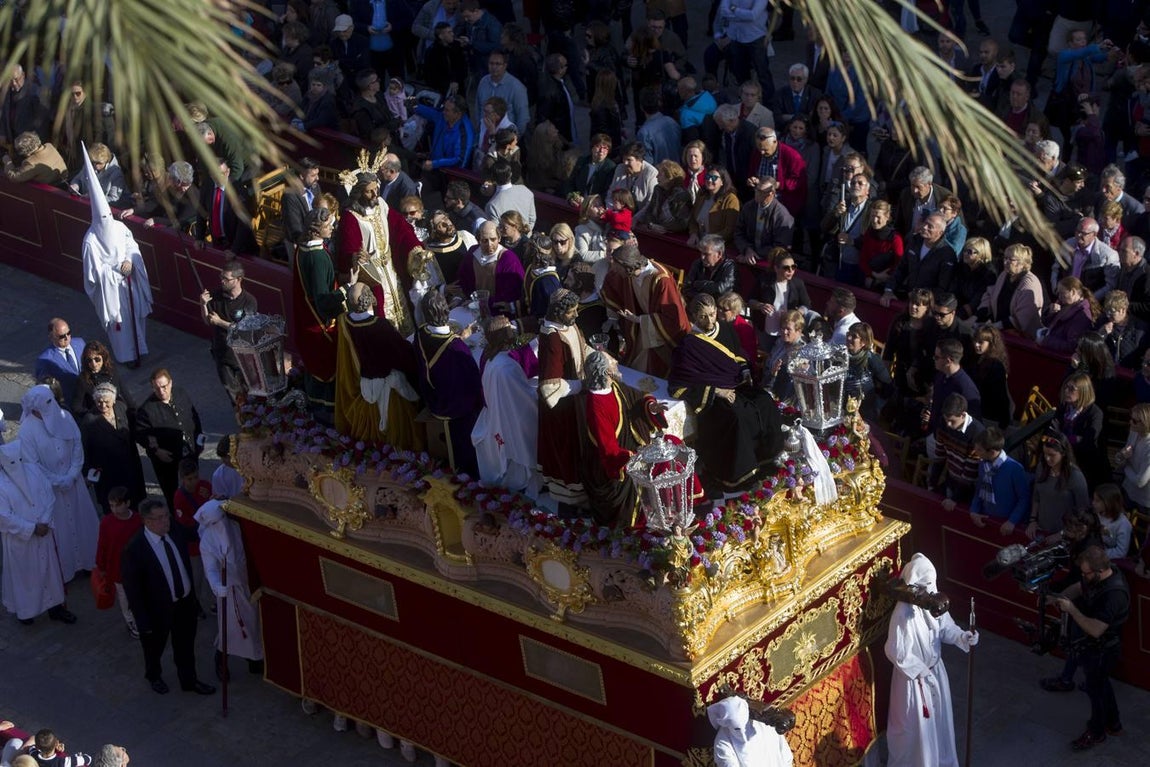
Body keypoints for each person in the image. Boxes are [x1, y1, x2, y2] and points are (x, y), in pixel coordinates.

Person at [669, 294, 784, 495]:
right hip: (714, 397)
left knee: (765, 401)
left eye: (712, 314)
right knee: (736, 417)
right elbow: (678, 385)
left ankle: (768, 457)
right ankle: (740, 476)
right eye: (703, 316)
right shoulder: (688, 345)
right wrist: (718, 392)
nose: (709, 320)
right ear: (694, 317)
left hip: (738, 385)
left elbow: (738, 355)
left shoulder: (727, 329)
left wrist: (746, 371)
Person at [884, 553, 978, 767]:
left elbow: (946, 628)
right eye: (924, 584)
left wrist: (963, 636)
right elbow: (895, 650)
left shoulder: (934, 601)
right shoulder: (903, 614)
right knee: (915, 731)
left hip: (935, 673)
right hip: (914, 682)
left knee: (939, 724)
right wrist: (919, 670)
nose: (929, 589)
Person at [121, 497, 215, 696]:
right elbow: (133, 590)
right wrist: (142, 622)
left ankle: (189, 680)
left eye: (166, 515)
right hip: (157, 611)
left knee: (186, 646)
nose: (166, 521)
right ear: (147, 521)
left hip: (185, 603)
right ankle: (153, 675)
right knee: (154, 648)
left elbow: (192, 533)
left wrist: (210, 514)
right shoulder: (135, 549)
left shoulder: (173, 530)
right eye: (160, 518)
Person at [581, 351, 678, 526]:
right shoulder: (596, 407)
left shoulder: (614, 386)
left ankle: (672, 504)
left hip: (634, 446)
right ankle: (663, 511)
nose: (617, 360)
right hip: (619, 463)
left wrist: (652, 408)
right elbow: (608, 450)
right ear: (607, 372)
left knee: (673, 444)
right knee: (663, 461)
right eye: (612, 361)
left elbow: (638, 399)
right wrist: (637, 458)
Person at [80, 144, 153, 368]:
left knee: (135, 320)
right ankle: (126, 356)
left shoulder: (120, 228)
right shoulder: (91, 240)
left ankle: (140, 350)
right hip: (112, 290)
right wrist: (112, 274)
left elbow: (132, 246)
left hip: (129, 282)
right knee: (120, 325)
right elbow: (92, 275)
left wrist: (130, 261)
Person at [18, 385, 99, 582]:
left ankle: (89, 562)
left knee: (82, 523)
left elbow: (76, 445)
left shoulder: (65, 416)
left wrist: (72, 474)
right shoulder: (27, 429)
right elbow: (31, 464)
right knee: (61, 530)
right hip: (50, 488)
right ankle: (68, 569)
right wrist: (57, 480)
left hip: (73, 482)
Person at [1053, 546, 1130, 751]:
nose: (1084, 576)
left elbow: (1096, 629)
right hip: (1095, 648)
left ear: (1100, 571)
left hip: (1103, 649)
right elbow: (1080, 587)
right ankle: (1114, 724)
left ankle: (1097, 732)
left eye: (1087, 573)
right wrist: (1060, 597)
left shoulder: (1114, 594)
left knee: (1095, 691)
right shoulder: (1098, 576)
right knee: (1102, 685)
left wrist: (1072, 610)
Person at [335, 282, 423, 450]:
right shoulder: (380, 326)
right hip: (391, 394)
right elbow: (403, 356)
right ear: (370, 300)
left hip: (367, 388)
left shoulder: (345, 322)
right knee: (402, 438)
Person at [0, 441, 72, 626]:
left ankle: (56, 607)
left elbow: (48, 495)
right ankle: (26, 611)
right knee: (26, 579)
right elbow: (4, 516)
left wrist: (45, 521)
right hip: (21, 540)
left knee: (50, 573)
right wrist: (31, 528)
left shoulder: (34, 471)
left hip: (43, 531)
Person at [336, 172, 416, 336]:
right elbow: (346, 250)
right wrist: (356, 257)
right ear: (359, 193)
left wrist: (415, 246)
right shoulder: (351, 217)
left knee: (404, 312)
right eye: (369, 191)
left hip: (391, 271)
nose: (375, 194)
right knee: (382, 314)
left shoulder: (380, 204)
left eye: (376, 189)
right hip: (372, 275)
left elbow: (400, 226)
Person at [413, 291, 483, 477]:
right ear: (446, 312)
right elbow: (474, 381)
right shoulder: (457, 348)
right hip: (455, 408)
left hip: (431, 396)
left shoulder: (421, 333)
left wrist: (460, 336)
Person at [194, 499, 264, 679]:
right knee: (233, 628)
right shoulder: (208, 542)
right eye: (216, 522)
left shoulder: (235, 527)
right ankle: (221, 657)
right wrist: (217, 586)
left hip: (247, 583)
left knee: (254, 624)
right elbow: (210, 568)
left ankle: (255, 660)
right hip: (230, 589)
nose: (221, 524)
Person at [471, 317, 539, 496]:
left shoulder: (488, 355)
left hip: (496, 413)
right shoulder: (506, 367)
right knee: (518, 454)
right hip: (511, 419)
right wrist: (539, 394)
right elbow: (523, 400)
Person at [537, 290, 590, 512]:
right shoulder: (552, 337)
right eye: (572, 311)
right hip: (562, 407)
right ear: (559, 313)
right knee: (566, 449)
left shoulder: (568, 325)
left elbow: (582, 347)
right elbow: (550, 385)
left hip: (575, 400)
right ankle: (568, 500)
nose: (576, 315)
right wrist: (581, 385)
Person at [602, 243, 690, 376]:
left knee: (651, 371)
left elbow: (672, 319)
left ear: (627, 266)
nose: (613, 268)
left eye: (616, 265)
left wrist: (639, 320)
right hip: (642, 328)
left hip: (658, 332)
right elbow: (611, 282)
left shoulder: (661, 280)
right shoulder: (629, 273)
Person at [135, 369, 203, 511]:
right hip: (166, 458)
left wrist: (199, 439)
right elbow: (141, 434)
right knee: (171, 490)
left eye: (164, 386)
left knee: (193, 482)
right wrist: (156, 450)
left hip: (188, 448)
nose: (161, 391)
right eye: (157, 388)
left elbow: (193, 416)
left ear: (170, 383)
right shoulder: (146, 410)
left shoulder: (180, 393)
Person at [79, 383, 146, 515]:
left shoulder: (121, 408)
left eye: (106, 402)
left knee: (135, 503)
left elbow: (134, 429)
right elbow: (84, 448)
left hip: (130, 466)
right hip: (108, 473)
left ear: (114, 400)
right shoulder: (89, 421)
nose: (103, 406)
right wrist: (87, 473)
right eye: (99, 402)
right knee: (115, 507)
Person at [200, 260, 258, 406]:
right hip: (223, 354)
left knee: (251, 391)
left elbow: (244, 328)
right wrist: (203, 305)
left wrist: (220, 322)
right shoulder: (215, 295)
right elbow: (208, 321)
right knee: (233, 394)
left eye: (226, 279)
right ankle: (241, 419)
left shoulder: (249, 301)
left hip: (244, 355)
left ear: (238, 280)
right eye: (221, 277)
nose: (222, 281)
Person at [95, 486, 143, 638]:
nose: (114, 509)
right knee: (124, 597)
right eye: (111, 506)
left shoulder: (137, 519)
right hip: (117, 568)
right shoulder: (106, 523)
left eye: (118, 505)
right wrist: (101, 566)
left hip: (136, 567)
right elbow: (102, 545)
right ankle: (131, 621)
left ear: (127, 503)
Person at [969, 427, 1032, 536]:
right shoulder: (982, 464)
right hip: (986, 520)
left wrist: (1012, 521)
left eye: (979, 450)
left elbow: (1024, 498)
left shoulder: (1014, 468)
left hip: (1007, 525)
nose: (975, 452)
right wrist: (974, 511)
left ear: (992, 452)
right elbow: (979, 490)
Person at [1028, 431, 1089, 539]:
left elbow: (1083, 512)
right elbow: (1036, 497)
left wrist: (1062, 534)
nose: (1047, 459)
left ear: (1063, 453)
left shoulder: (1075, 476)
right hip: (1041, 531)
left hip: (1063, 536)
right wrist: (1032, 521)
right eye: (1045, 454)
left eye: (1051, 455)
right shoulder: (1041, 468)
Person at [977, 243, 1045, 340]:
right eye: (1005, 258)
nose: (1006, 262)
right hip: (999, 333)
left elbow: (1022, 318)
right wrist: (979, 314)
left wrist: (994, 326)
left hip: (1022, 338)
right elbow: (990, 294)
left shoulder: (1030, 283)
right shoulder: (1004, 275)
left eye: (1011, 260)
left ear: (1023, 263)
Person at [457, 220, 525, 317]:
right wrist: (460, 297)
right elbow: (463, 280)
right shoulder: (473, 253)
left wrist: (483, 303)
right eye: (484, 240)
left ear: (499, 238)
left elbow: (511, 294)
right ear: (478, 239)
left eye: (493, 239)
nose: (489, 244)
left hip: (498, 313)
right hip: (472, 308)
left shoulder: (508, 259)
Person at [932, 394, 987, 511]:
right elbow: (939, 457)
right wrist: (932, 484)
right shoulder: (943, 423)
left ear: (963, 415)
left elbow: (970, 474)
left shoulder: (977, 433)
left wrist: (954, 499)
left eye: (952, 421)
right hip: (951, 480)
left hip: (969, 491)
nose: (948, 424)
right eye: (946, 420)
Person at [707, 695, 794, 767]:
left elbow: (786, 756)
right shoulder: (722, 743)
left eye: (744, 724)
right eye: (737, 728)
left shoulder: (765, 724)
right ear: (727, 724)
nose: (743, 732)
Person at [733, 177, 795, 264]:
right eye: (756, 190)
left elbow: (781, 247)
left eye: (761, 192)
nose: (757, 194)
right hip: (747, 256)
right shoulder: (748, 207)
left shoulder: (782, 216)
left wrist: (755, 254)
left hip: (770, 263)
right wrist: (746, 249)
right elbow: (738, 232)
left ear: (772, 193)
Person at [35, 318, 86, 414]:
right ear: (51, 337)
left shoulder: (80, 343)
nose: (67, 338)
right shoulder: (45, 360)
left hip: (88, 397)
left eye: (69, 333)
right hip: (69, 405)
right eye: (62, 336)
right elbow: (43, 387)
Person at [71, 340, 133, 416]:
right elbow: (76, 407)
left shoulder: (111, 370)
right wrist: (93, 415)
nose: (94, 364)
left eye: (97, 359)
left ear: (103, 357)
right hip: (100, 417)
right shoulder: (83, 379)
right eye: (89, 360)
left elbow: (124, 391)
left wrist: (134, 409)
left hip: (119, 411)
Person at [1040, 276, 1099, 353]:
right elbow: (1047, 323)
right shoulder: (1064, 304)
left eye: (1062, 293)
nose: (1059, 297)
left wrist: (1045, 341)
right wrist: (1050, 313)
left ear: (1073, 292)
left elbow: (1072, 346)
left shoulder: (1082, 315)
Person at [688, 165, 741, 249]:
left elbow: (729, 230)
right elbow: (693, 219)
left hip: (718, 248)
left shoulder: (731, 199)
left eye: (714, 177)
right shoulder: (701, 195)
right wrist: (693, 234)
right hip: (698, 244)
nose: (709, 180)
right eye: (708, 176)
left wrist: (708, 241)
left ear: (722, 181)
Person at [970, 325, 1012, 428]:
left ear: (991, 344)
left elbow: (1001, 396)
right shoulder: (979, 358)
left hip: (989, 416)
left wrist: (1004, 421)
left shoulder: (996, 367)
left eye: (981, 342)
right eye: (975, 340)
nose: (976, 345)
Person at [1116, 402, 1150, 511]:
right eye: (1131, 418)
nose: (1130, 422)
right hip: (1128, 488)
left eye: (1135, 421)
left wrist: (1125, 467)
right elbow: (1120, 457)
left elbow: (1140, 481)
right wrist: (1122, 456)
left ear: (1146, 423)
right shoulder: (1134, 432)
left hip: (1144, 499)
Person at [1, 131, 66, 184]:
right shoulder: (49, 146)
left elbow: (14, 177)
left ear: (27, 153)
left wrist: (7, 161)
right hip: (63, 180)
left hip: (50, 190)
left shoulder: (31, 163)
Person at [685, 235, 737, 301]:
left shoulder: (729, 266)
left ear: (719, 254)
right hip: (700, 303)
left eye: (706, 254)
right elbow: (687, 286)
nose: (702, 257)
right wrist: (702, 298)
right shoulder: (698, 263)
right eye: (701, 253)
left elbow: (722, 290)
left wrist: (698, 284)